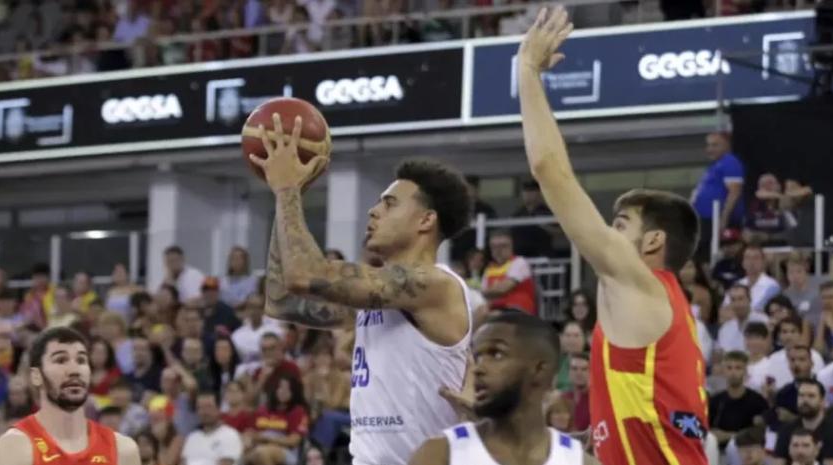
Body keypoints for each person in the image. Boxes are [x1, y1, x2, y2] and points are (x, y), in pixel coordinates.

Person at [516, 6, 707, 465]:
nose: (606, 234)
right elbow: (621, 429)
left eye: (621, 226)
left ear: (653, 243)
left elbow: (550, 171)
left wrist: (526, 70)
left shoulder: (641, 285)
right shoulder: (662, 315)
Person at [250, 115, 473, 465]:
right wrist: (288, 197)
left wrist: (287, 189)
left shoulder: (434, 285)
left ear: (426, 220)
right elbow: (283, 300)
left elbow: (304, 275)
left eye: (389, 203)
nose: (373, 211)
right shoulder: (384, 296)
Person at [408, 312, 595, 465]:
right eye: (478, 356)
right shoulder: (439, 455)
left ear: (540, 370)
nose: (478, 368)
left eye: (496, 354)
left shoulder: (578, 461)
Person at [0, 326, 141, 465]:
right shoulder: (16, 446)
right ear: (36, 376)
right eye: (61, 360)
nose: (74, 370)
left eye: (81, 360)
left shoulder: (123, 449)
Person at [691, 131, 745, 261]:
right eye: (708, 145)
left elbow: (734, 192)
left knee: (708, 255)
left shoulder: (730, 162)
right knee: (700, 255)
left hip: (716, 219)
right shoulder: (715, 166)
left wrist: (723, 218)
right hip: (705, 220)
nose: (710, 149)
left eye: (715, 145)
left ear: (726, 145)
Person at [771, 379, 833, 465]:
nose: (805, 400)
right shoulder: (786, 430)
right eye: (801, 395)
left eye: (811, 396)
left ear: (822, 402)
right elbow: (778, 462)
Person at [707, 351, 768, 449]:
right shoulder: (715, 401)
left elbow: (759, 434)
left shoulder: (758, 401)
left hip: (747, 451)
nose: (733, 373)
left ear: (746, 371)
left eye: (738, 368)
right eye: (729, 368)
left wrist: (728, 436)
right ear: (723, 371)